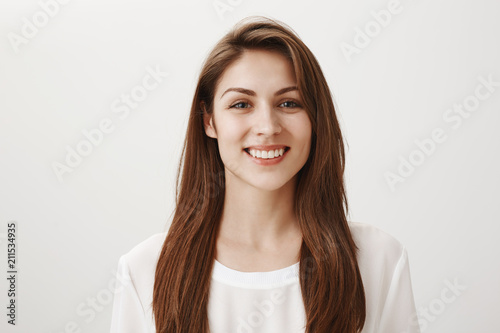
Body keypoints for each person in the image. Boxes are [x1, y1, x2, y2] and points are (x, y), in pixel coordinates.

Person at [110, 16, 421, 333]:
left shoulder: (379, 260)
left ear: (316, 118)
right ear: (209, 121)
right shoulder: (144, 270)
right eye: (241, 104)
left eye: (289, 102)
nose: (268, 127)